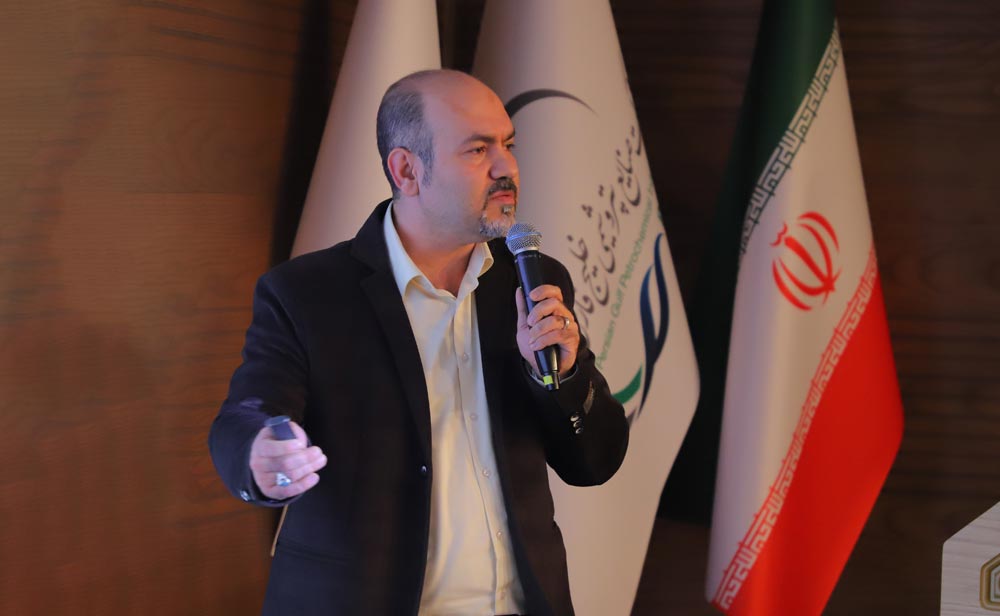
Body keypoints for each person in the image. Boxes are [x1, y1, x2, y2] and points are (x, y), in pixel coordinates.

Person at [209, 69, 629, 616]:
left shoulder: (532, 279)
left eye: (508, 144)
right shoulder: (307, 293)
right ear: (406, 170)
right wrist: (259, 454)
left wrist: (564, 378)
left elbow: (593, 462)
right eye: (477, 150)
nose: (506, 167)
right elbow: (246, 416)